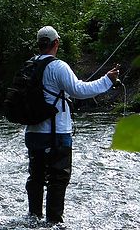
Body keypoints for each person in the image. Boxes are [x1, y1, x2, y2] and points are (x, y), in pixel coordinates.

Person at [25, 26, 119, 224]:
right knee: (58, 180)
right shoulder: (58, 67)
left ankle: (33, 219)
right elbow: (78, 90)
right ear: (56, 43)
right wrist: (107, 80)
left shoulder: (29, 65)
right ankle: (53, 223)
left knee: (36, 178)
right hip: (56, 134)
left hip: (32, 133)